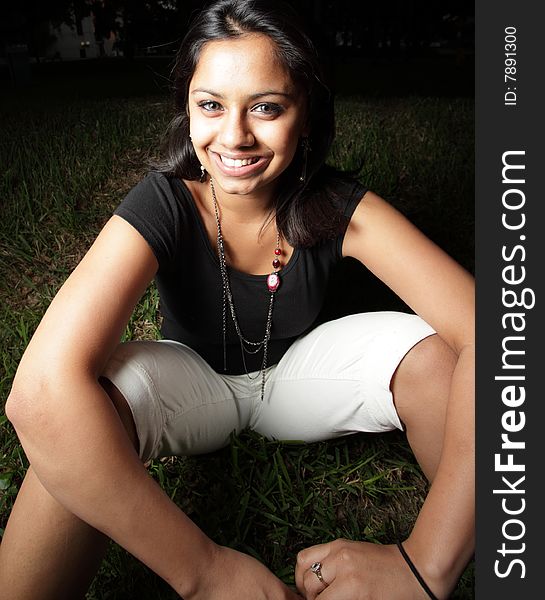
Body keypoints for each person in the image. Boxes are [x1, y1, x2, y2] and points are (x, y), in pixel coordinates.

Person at [0, 0, 474, 598]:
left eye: (267, 107)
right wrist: (204, 571)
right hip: (194, 385)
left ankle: (488, 542)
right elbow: (38, 397)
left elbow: (500, 334)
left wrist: (424, 563)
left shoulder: (342, 207)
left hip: (302, 379)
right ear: (187, 108)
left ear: (307, 114)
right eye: (211, 105)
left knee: (437, 357)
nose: (234, 136)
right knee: (75, 410)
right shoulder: (165, 202)